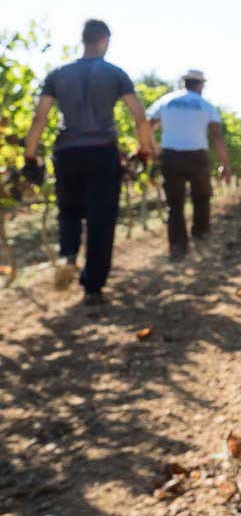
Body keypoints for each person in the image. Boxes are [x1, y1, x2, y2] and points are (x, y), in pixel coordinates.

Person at [23, 19, 157, 305]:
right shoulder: (115, 74)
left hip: (67, 152)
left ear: (83, 40)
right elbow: (139, 117)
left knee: (68, 210)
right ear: (105, 40)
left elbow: (40, 118)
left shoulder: (58, 74)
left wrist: (30, 157)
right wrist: (144, 149)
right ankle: (93, 287)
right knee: (101, 220)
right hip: (101, 151)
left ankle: (69, 255)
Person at [147, 69, 232, 259]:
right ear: (200, 85)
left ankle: (177, 249)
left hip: (170, 156)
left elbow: (147, 124)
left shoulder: (166, 101)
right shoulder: (206, 105)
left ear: (184, 82)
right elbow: (217, 136)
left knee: (174, 204)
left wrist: (152, 148)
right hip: (197, 156)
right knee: (202, 198)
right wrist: (225, 164)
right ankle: (201, 238)